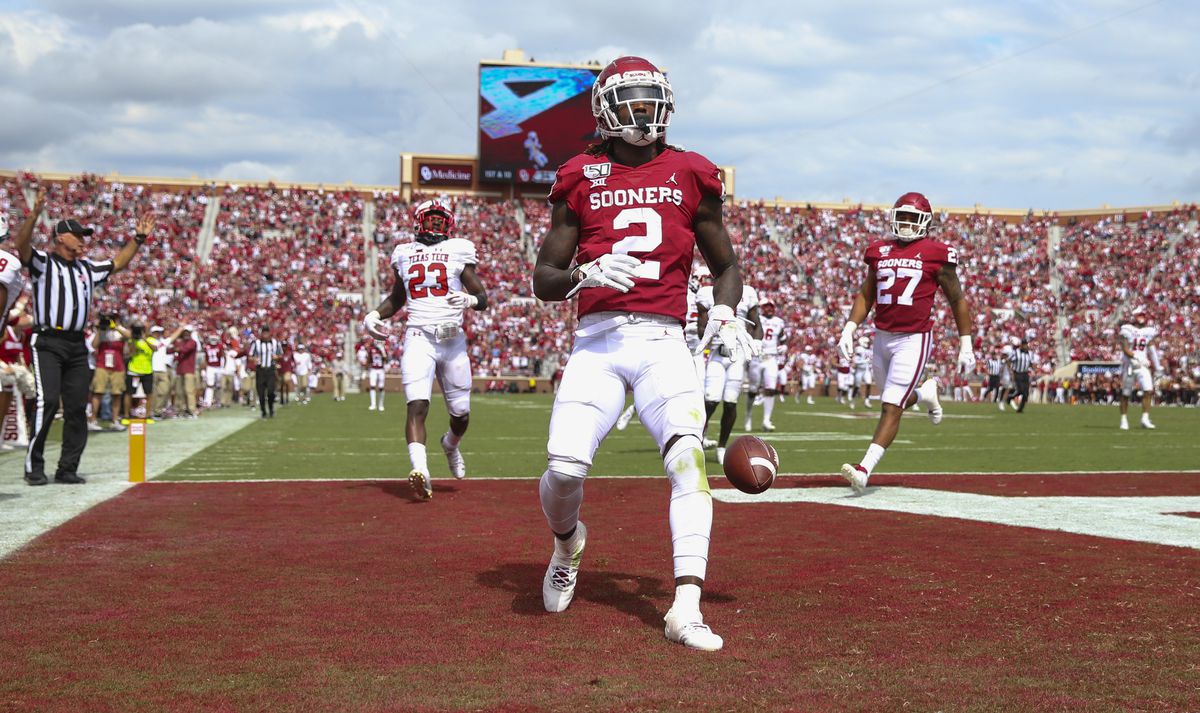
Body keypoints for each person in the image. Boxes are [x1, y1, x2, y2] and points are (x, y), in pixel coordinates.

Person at [531, 56, 757, 651]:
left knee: (688, 461)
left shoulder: (690, 171)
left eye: (651, 99)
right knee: (564, 469)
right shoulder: (579, 174)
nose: (644, 111)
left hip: (665, 341)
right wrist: (587, 272)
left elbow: (727, 265)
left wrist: (727, 313)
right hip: (598, 342)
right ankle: (567, 543)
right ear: (606, 109)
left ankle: (686, 605)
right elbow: (544, 280)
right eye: (631, 99)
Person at [14, 189, 155, 486]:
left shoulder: (87, 268)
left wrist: (138, 239)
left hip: (77, 344)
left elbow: (118, 263)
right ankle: (34, 466)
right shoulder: (43, 263)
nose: (82, 239)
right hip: (48, 342)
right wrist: (34, 215)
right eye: (77, 235)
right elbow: (22, 245)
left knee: (78, 407)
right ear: (61, 237)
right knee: (47, 401)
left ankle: (67, 467)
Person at [837, 191, 974, 493]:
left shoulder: (937, 253)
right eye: (903, 217)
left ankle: (864, 469)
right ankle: (925, 393)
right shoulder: (879, 250)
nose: (907, 223)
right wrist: (849, 328)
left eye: (913, 217)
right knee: (892, 401)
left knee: (891, 405)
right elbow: (866, 294)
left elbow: (957, 299)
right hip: (882, 335)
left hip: (914, 338)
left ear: (925, 222)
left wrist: (966, 342)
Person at [362, 199, 489, 500]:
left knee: (461, 414)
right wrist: (374, 314)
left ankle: (451, 444)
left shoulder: (459, 249)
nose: (434, 225)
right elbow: (397, 297)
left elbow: (482, 295)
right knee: (417, 405)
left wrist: (471, 301)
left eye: (438, 219)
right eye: (430, 219)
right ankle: (421, 471)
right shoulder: (404, 253)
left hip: (452, 340)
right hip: (419, 337)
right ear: (419, 222)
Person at [697, 281, 761, 463]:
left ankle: (722, 446)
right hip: (717, 353)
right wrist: (720, 326)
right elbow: (701, 330)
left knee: (731, 403)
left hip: (738, 355)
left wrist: (757, 340)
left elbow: (756, 323)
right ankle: (697, 436)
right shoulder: (706, 293)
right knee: (710, 401)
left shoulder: (747, 292)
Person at [747, 299, 786, 431]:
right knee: (753, 389)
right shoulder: (756, 319)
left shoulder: (779, 322)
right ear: (761, 307)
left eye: (771, 306)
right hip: (757, 357)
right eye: (766, 306)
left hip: (771, 358)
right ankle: (748, 416)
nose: (769, 309)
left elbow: (783, 338)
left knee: (770, 389)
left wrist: (784, 346)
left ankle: (766, 420)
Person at [1118, 309, 1158, 430]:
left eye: (1143, 315)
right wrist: (1136, 357)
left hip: (1143, 366)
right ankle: (1123, 419)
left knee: (1148, 390)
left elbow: (1152, 349)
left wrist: (1157, 365)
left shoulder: (1148, 331)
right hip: (1130, 365)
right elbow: (1125, 348)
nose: (1141, 318)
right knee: (1125, 394)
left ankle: (1145, 419)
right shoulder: (1127, 329)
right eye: (1139, 315)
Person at [90, 314, 130, 431]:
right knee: (98, 392)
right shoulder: (101, 332)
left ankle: (115, 420)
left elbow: (129, 335)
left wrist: (116, 327)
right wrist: (101, 329)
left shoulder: (120, 331)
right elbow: (93, 345)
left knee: (117, 394)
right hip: (102, 365)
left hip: (118, 366)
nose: (110, 321)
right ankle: (93, 420)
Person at [242, 325, 281, 418]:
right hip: (260, 370)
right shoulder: (256, 343)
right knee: (261, 392)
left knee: (271, 391)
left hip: (270, 369)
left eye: (267, 332)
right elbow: (250, 355)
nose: (265, 334)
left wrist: (277, 357)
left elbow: (280, 354)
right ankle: (263, 411)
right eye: (264, 332)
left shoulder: (275, 342)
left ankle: (271, 408)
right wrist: (254, 359)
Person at [124, 323, 155, 418]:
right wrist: (133, 340)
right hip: (134, 371)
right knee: (129, 393)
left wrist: (144, 339)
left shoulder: (151, 340)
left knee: (149, 394)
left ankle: (149, 415)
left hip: (147, 371)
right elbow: (131, 353)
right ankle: (126, 415)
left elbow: (155, 348)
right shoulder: (132, 340)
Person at [169, 325, 199, 418]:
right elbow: (171, 351)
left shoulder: (192, 342)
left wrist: (175, 348)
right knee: (179, 391)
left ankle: (191, 410)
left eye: (187, 332)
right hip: (180, 369)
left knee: (189, 391)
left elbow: (184, 350)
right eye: (185, 332)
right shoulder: (181, 342)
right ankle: (180, 410)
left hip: (189, 370)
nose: (186, 333)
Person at [357, 338, 388, 411]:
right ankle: (373, 404)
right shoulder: (371, 349)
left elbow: (386, 360)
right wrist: (365, 370)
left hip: (381, 369)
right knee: (372, 386)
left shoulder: (383, 350)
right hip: (373, 369)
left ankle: (381, 405)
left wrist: (383, 351)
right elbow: (369, 360)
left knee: (381, 387)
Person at [1006, 339, 1034, 413]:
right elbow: (1009, 360)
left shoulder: (1030, 353)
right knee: (1021, 390)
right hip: (1017, 373)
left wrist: (1032, 368)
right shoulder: (1016, 352)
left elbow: (1031, 363)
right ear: (1021, 345)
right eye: (1024, 344)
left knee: (1026, 393)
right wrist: (1010, 370)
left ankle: (1020, 409)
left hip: (1025, 374)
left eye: (1026, 344)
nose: (1026, 346)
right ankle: (1010, 397)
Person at [853, 335, 874, 409]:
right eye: (866, 342)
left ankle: (867, 401)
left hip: (866, 370)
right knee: (857, 387)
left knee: (868, 383)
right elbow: (856, 361)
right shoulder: (859, 349)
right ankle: (853, 401)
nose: (868, 344)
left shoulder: (869, 350)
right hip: (859, 370)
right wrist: (865, 361)